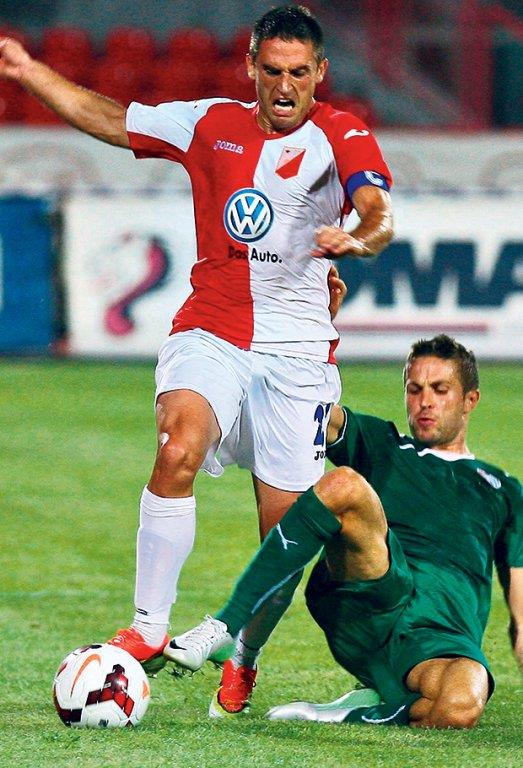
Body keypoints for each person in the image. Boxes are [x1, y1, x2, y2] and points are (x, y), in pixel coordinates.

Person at [0, 4, 394, 699]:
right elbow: (111, 118)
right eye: (272, 70)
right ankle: (148, 626)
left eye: (298, 73)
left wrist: (359, 238)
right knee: (176, 448)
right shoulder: (210, 122)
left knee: (283, 536)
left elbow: (377, 210)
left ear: (320, 73)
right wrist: (31, 72)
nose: (284, 86)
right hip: (211, 328)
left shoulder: (342, 133)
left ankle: (244, 654)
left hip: (298, 353)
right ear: (250, 67)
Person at [165, 335, 523, 728]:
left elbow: (521, 615)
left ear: (470, 399)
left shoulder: (504, 489)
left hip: (442, 639)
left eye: (440, 390)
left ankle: (348, 712)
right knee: (345, 485)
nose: (425, 402)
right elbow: (310, 408)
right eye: (414, 389)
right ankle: (226, 626)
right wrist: (301, 339)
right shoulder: (384, 445)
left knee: (461, 703)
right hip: (371, 597)